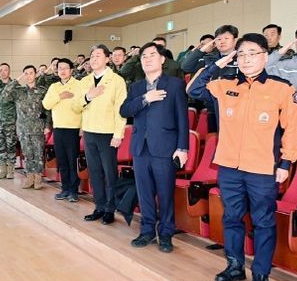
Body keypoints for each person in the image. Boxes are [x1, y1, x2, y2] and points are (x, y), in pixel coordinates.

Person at [188, 33, 297, 281]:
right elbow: (192, 90)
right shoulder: (225, 84)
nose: (247, 59)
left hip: (263, 168)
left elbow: (292, 129)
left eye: (253, 53)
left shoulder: (282, 88)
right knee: (231, 217)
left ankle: (261, 273)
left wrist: (285, 163)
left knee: (263, 221)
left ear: (265, 56)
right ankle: (235, 266)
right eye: (241, 54)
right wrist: (216, 64)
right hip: (229, 167)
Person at [120, 43, 189, 253]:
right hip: (141, 148)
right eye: (144, 56)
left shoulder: (175, 84)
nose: (147, 59)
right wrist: (145, 99)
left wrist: (182, 148)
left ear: (162, 59)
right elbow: (124, 110)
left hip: (165, 148)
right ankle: (147, 230)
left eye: (152, 55)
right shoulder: (136, 87)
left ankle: (166, 233)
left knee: (165, 193)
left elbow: (182, 118)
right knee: (144, 193)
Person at [72, 44, 127, 225]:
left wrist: (118, 134)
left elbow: (120, 110)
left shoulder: (117, 80)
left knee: (109, 173)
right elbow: (75, 106)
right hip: (89, 132)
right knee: (95, 172)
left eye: (98, 55)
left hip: (108, 133)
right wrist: (88, 96)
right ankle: (99, 206)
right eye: (92, 56)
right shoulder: (84, 81)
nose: (94, 59)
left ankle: (110, 208)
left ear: (107, 58)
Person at [182, 25, 240, 133]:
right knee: (214, 138)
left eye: (226, 38)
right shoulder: (209, 59)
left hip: (235, 108)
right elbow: (186, 66)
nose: (222, 41)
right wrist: (202, 50)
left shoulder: (242, 59)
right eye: (219, 39)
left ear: (235, 40)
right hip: (212, 107)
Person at [2, 65, 50, 189]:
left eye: (31, 73)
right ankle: (29, 177)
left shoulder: (43, 90)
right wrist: (15, 81)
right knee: (27, 154)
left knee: (38, 154)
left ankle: (38, 178)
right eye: (26, 73)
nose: (28, 76)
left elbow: (47, 109)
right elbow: (5, 94)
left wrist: (47, 125)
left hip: (38, 127)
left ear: (35, 74)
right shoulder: (18, 91)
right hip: (23, 128)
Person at [43, 58, 82, 202]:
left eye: (66, 68)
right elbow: (46, 104)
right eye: (60, 68)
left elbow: (84, 106)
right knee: (62, 161)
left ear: (71, 70)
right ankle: (65, 189)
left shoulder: (79, 85)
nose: (63, 71)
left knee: (72, 161)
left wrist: (82, 128)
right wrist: (60, 96)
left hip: (73, 128)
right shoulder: (54, 87)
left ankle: (74, 191)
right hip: (58, 128)